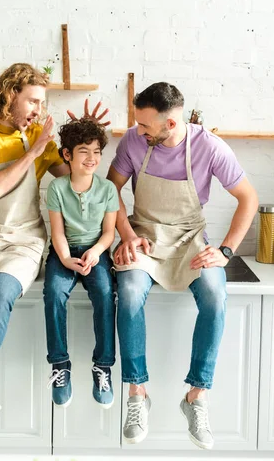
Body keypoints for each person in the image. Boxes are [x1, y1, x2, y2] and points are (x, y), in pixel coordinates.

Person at [0, 63, 108, 451]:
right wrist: (33, 151)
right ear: (9, 95)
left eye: (42, 102)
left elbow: (79, 186)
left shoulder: (44, 142)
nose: (38, 109)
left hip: (23, 239)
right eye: (32, 100)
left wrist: (86, 136)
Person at [107, 82, 258, 449]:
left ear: (170, 124)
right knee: (127, 294)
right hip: (143, 236)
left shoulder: (209, 147)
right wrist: (126, 236)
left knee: (213, 294)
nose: (138, 131)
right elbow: (110, 192)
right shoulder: (132, 141)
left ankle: (196, 396)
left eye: (145, 126)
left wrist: (225, 250)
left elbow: (248, 198)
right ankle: (137, 393)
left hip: (190, 238)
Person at [43, 118, 119, 409]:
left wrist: (97, 252)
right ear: (67, 155)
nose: (92, 158)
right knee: (53, 294)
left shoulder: (108, 189)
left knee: (104, 293)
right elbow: (58, 232)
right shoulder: (57, 188)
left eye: (97, 151)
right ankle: (60, 365)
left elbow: (109, 232)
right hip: (64, 252)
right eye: (84, 151)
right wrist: (65, 259)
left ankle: (103, 366)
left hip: (96, 252)